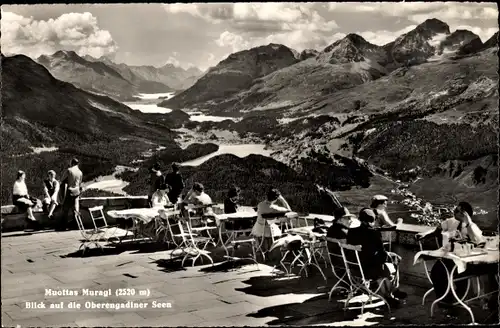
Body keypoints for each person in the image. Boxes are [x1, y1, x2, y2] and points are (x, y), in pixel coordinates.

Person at [421, 202, 490, 307]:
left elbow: (479, 241)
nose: (454, 212)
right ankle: (445, 299)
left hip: (465, 261)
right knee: (437, 272)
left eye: (457, 211)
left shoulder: (471, 226)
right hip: (449, 258)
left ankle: (455, 299)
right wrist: (425, 234)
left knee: (456, 275)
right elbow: (438, 229)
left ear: (464, 214)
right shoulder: (451, 222)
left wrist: (468, 223)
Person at [347, 208, 407, 306]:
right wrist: (391, 256)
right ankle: (390, 293)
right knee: (391, 264)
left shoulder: (351, 232)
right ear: (373, 220)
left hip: (355, 268)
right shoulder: (374, 233)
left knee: (381, 267)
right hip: (370, 271)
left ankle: (392, 292)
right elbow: (382, 255)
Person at [251, 188, 292, 253]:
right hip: (269, 230)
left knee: (273, 225)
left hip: (258, 229)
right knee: (283, 227)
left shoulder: (260, 204)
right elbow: (289, 210)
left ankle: (263, 248)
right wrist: (282, 199)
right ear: (276, 198)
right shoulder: (274, 208)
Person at [59, 158, 83, 231]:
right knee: (76, 209)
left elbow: (62, 180)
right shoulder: (80, 172)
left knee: (65, 209)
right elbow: (80, 183)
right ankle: (77, 225)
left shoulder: (69, 170)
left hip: (70, 191)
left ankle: (64, 226)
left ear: (71, 163)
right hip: (77, 191)